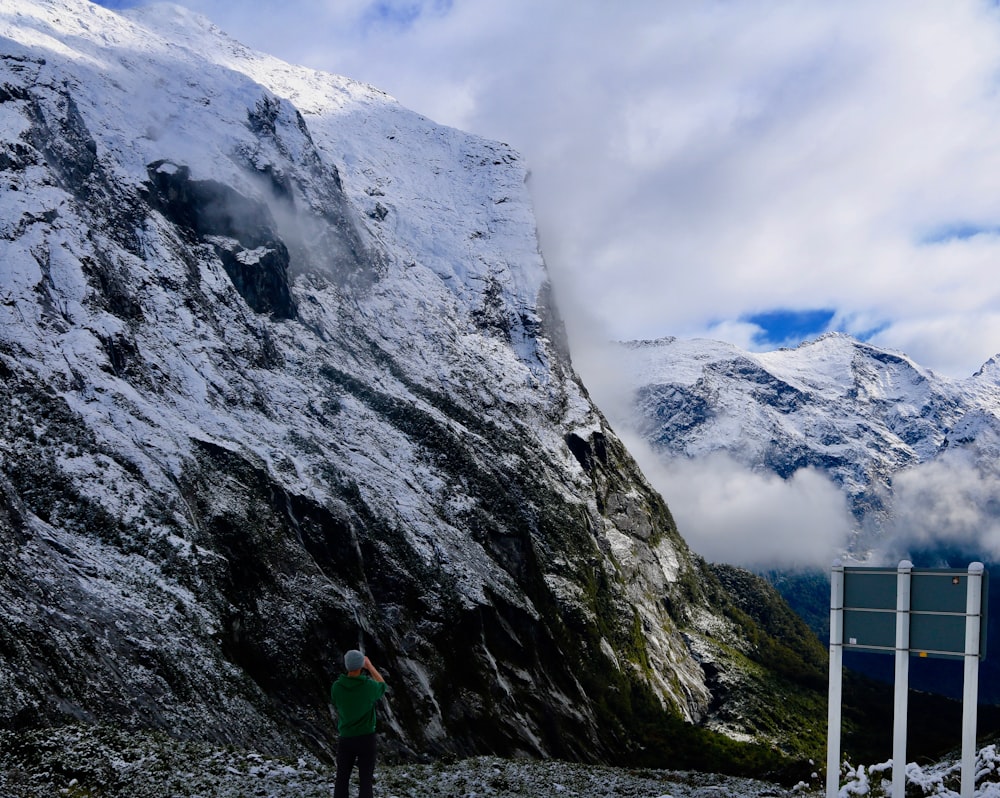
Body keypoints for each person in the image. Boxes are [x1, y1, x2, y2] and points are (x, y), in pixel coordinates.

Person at [331, 650, 387, 798]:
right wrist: (370, 667)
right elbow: (382, 685)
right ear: (361, 665)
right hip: (366, 738)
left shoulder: (337, 687)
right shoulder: (368, 686)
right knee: (365, 780)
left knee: (342, 779)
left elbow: (336, 702)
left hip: (346, 738)